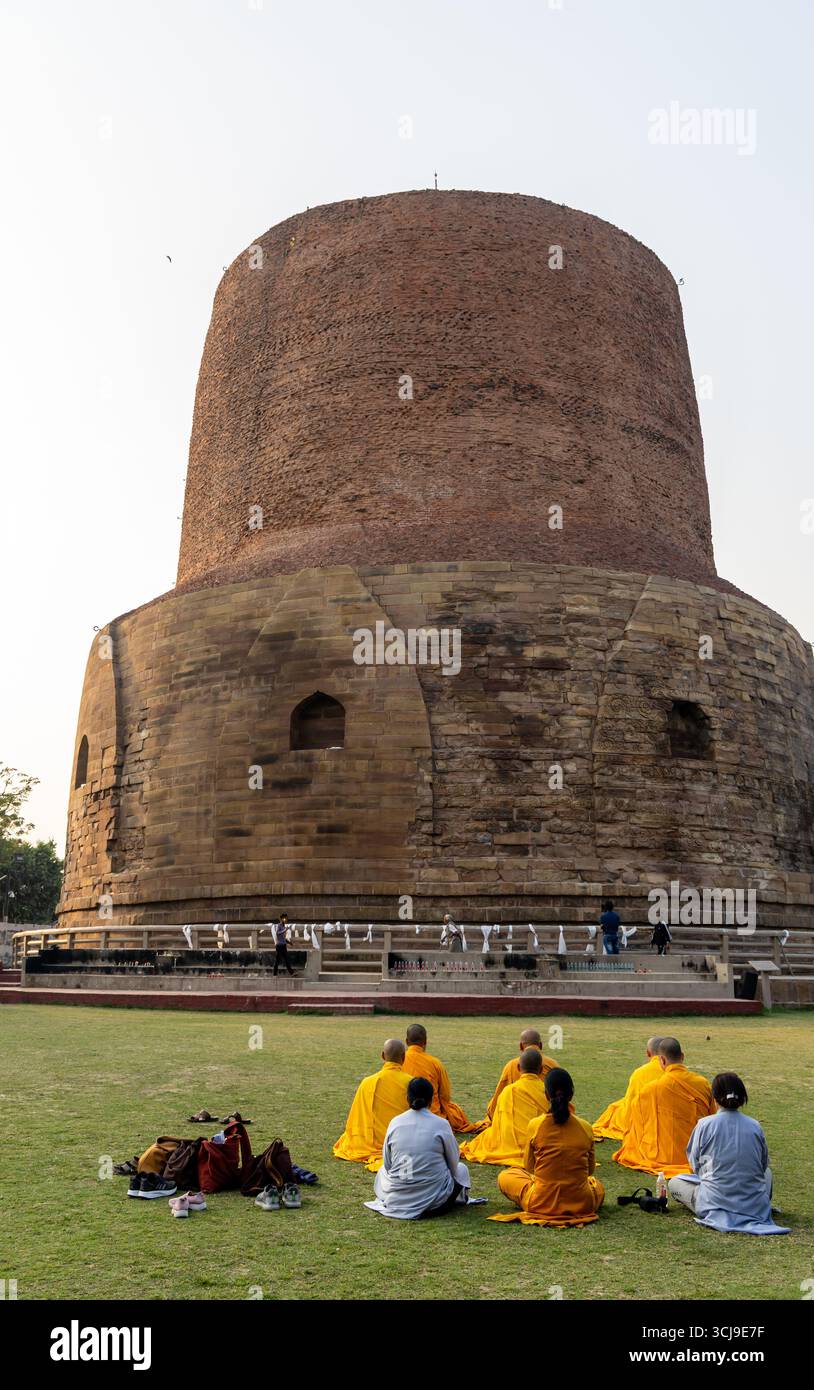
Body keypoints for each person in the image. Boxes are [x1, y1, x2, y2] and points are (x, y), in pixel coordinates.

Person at [668, 1072, 789, 1236]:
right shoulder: (755, 1126)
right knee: (767, 1173)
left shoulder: (704, 1124)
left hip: (713, 1202)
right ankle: (755, 1204)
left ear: (715, 1098)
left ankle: (718, 1206)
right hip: (754, 1206)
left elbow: (695, 1164)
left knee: (674, 1182)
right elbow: (762, 1165)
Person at [491, 1068, 604, 1226]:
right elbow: (589, 1170)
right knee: (597, 1185)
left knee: (506, 1176)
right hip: (582, 1203)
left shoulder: (536, 1125)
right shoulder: (585, 1127)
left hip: (540, 1202)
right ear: (571, 1095)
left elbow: (529, 1167)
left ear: (546, 1095)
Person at [364, 1077, 474, 1220]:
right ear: (431, 1100)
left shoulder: (395, 1122)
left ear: (407, 1098)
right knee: (461, 1169)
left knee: (382, 1172)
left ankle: (402, 1197)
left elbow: (388, 1164)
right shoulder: (441, 1124)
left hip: (398, 1194)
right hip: (434, 1200)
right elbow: (453, 1164)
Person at [613, 1036, 714, 1178]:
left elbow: (634, 1119)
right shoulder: (702, 1083)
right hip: (698, 1152)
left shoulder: (650, 1090)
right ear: (682, 1057)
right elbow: (713, 1118)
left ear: (662, 1060)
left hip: (662, 1156)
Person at [461, 1048, 550, 1166]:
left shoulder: (509, 1091)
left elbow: (498, 1125)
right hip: (539, 1147)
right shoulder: (548, 1092)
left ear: (518, 1068)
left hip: (508, 1144)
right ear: (541, 1069)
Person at [333, 1040, 410, 1170]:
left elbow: (355, 1118)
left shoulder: (367, 1082)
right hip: (399, 1142)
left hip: (365, 1143)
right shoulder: (411, 1083)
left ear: (383, 1056)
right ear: (403, 1057)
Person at [403, 1023, 485, 1133]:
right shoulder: (435, 1063)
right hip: (433, 1116)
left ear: (407, 1041)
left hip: (404, 1115)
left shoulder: (399, 1061)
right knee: (454, 1110)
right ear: (425, 1041)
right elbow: (445, 1095)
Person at [593, 1036, 664, 1141]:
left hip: (645, 1119)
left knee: (614, 1110)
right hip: (669, 1116)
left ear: (648, 1053)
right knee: (616, 1106)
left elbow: (631, 1103)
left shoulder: (640, 1073)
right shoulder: (679, 1072)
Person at [483, 1029, 557, 1123]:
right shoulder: (553, 1065)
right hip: (548, 1120)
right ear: (541, 1045)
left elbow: (496, 1101)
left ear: (521, 1045)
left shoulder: (511, 1065)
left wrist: (491, 1116)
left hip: (517, 1121)